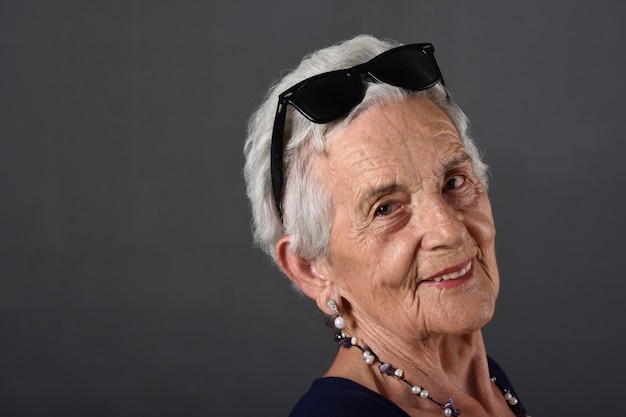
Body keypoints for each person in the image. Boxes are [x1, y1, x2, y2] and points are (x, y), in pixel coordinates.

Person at [243, 35, 529, 417]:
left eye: (454, 182)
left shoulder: (482, 384)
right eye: (386, 208)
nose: (449, 231)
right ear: (311, 268)